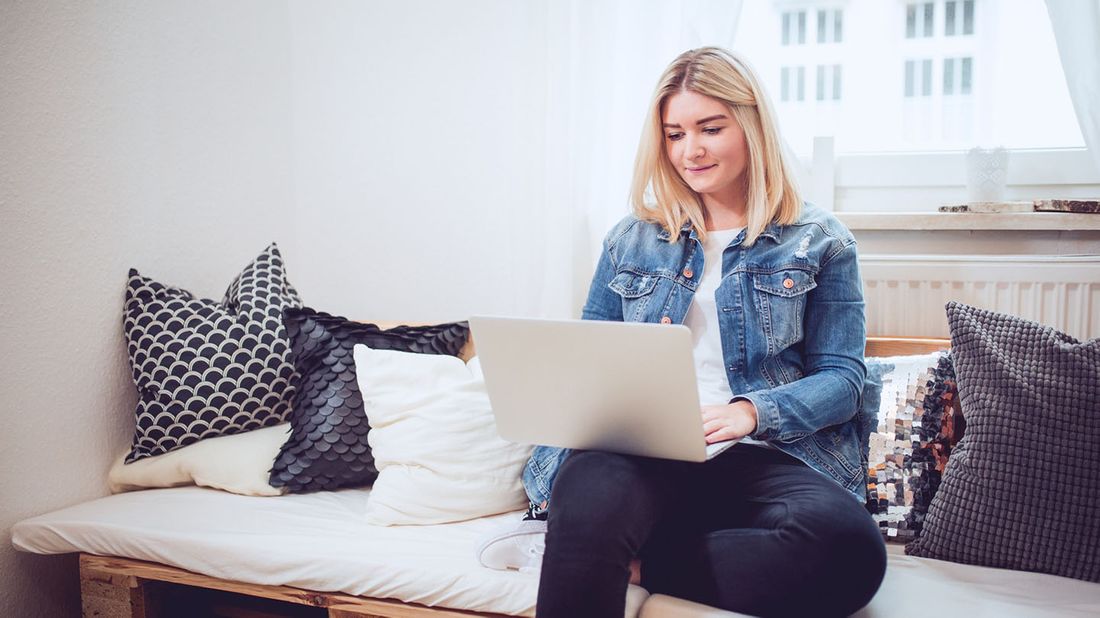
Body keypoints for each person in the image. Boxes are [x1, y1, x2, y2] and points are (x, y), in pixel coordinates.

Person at [480, 47, 886, 617]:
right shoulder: (632, 239)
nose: (689, 151)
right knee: (592, 496)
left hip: (761, 454)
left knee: (849, 552)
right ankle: (589, 541)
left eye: (709, 128)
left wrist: (751, 412)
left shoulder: (821, 239)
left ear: (751, 126)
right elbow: (591, 356)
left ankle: (625, 559)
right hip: (639, 450)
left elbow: (843, 378)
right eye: (673, 134)